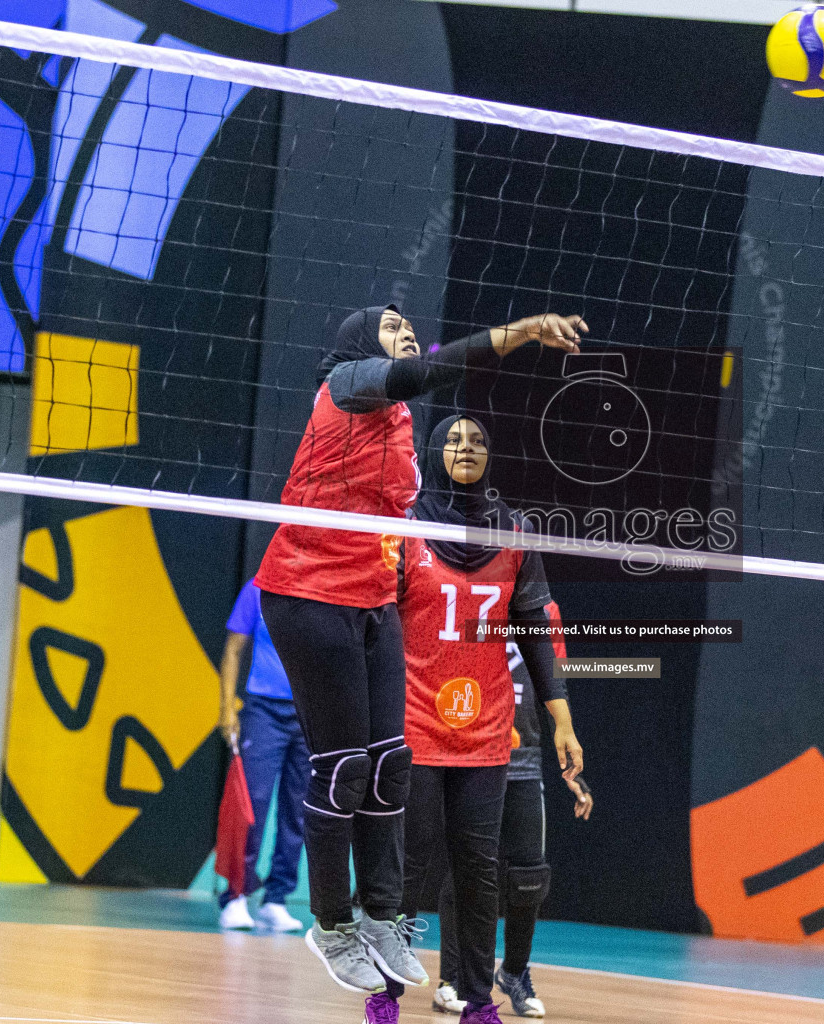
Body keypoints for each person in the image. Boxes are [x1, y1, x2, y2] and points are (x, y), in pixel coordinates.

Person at [255, 306, 585, 997]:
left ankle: (380, 915)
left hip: (369, 599)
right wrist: (520, 332)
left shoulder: (403, 433)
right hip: (309, 591)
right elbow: (424, 368)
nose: (404, 331)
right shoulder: (348, 382)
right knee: (344, 768)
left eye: (409, 324)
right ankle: (332, 924)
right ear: (359, 343)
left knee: (387, 764)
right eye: (390, 325)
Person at [364, 414, 583, 1024]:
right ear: (435, 452)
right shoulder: (405, 527)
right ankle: (385, 995)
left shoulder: (515, 532)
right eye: (455, 440)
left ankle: (480, 1001)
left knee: (479, 869)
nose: (466, 449)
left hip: (486, 730)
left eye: (478, 441)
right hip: (415, 722)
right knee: (409, 863)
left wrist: (561, 722)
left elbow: (538, 634)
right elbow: (376, 625)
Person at [432, 641, 595, 1018]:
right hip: (470, 749)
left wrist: (573, 771)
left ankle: (514, 972)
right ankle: (451, 979)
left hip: (523, 756)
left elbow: (553, 689)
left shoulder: (545, 612)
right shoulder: (474, 594)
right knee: (468, 868)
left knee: (529, 876)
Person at [217, 577, 309, 933]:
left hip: (308, 712)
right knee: (250, 806)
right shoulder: (257, 587)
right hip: (263, 712)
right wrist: (227, 708)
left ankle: (276, 899)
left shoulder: (322, 587)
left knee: (298, 811)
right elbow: (233, 650)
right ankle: (236, 896)